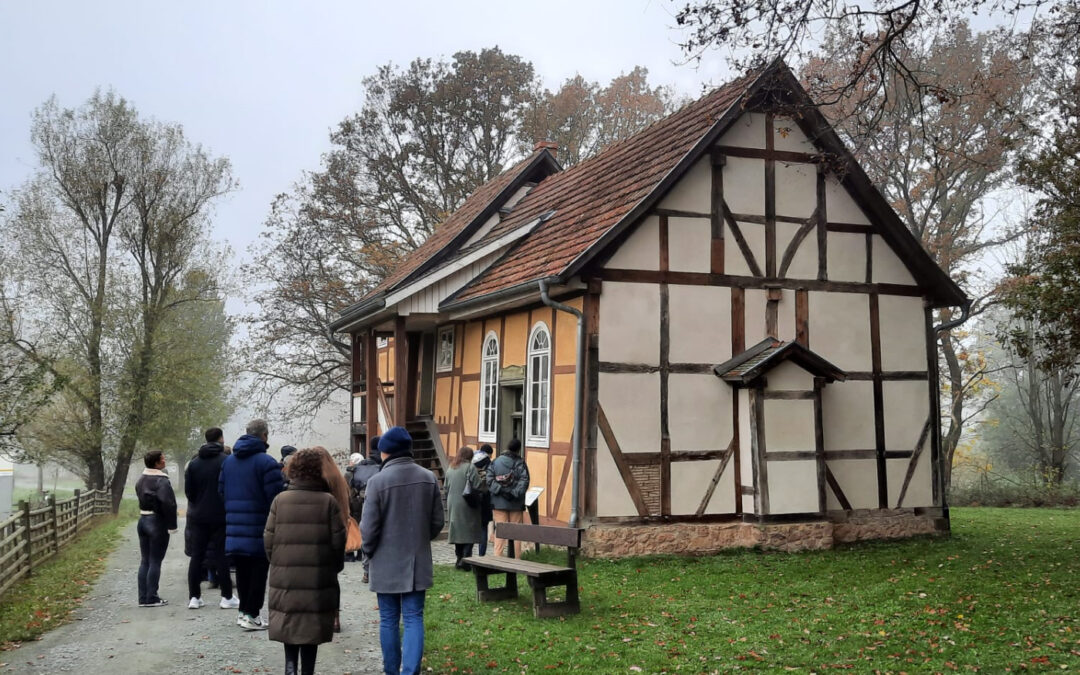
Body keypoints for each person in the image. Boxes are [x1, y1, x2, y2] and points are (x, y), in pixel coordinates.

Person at [360, 426, 444, 675]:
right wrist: (419, 539)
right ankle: (410, 671)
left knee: (388, 619)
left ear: (385, 452)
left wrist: (368, 553)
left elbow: (368, 528)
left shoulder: (377, 482)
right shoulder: (428, 478)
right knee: (413, 617)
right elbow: (437, 522)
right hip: (417, 561)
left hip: (385, 561)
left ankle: (391, 670)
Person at [264, 448, 347, 675]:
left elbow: (268, 539)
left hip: (286, 576)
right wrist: (333, 568)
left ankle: (290, 668)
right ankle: (307, 671)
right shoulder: (328, 502)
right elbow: (338, 542)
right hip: (317, 577)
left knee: (289, 621)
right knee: (310, 628)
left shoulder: (280, 500)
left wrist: (279, 563)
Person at [219, 418, 285, 630]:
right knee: (258, 572)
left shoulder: (228, 462)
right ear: (264, 436)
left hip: (234, 526)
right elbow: (275, 498)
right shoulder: (267, 463)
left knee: (242, 571)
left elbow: (221, 491)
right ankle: (252, 614)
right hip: (259, 526)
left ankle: (243, 612)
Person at [184, 427, 239, 610]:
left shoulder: (194, 463)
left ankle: (194, 597)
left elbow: (189, 492)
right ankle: (226, 596)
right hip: (221, 515)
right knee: (221, 554)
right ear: (221, 438)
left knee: (197, 556)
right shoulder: (228, 461)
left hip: (199, 516)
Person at [135, 450, 178, 607]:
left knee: (145, 560)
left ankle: (143, 598)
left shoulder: (141, 479)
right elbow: (169, 504)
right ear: (156, 463)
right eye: (162, 458)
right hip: (156, 522)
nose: (165, 460)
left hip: (143, 520)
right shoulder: (162, 481)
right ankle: (152, 597)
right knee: (155, 561)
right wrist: (172, 525)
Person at [486, 438, 530, 558]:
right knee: (516, 532)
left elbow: (489, 480)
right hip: (516, 503)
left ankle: (498, 556)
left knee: (500, 531)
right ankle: (517, 558)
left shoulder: (495, 462)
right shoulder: (520, 463)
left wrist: (501, 491)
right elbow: (524, 481)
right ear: (518, 449)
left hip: (499, 503)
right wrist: (514, 493)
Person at [444, 446, 483, 569]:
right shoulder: (470, 467)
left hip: (453, 502)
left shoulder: (451, 467)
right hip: (466, 502)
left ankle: (458, 558)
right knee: (469, 530)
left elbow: (445, 487)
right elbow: (477, 485)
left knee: (458, 532)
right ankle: (466, 560)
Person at [350, 437, 382, 581]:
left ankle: (366, 571)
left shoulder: (361, 467)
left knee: (367, 534)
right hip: (380, 502)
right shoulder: (382, 466)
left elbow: (352, 487)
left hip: (362, 503)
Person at [471, 444, 495, 556]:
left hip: (472, 497)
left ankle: (467, 554)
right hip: (485, 498)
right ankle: (481, 554)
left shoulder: (471, 459)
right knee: (483, 528)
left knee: (470, 527)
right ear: (489, 454)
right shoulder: (489, 464)